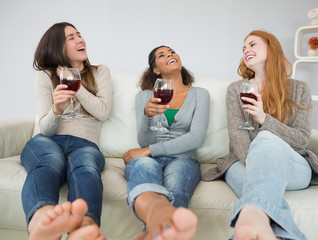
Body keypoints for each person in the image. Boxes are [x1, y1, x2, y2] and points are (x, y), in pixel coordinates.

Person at [202, 30, 318, 240]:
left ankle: (249, 218)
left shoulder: (300, 89)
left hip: (292, 165)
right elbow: (237, 135)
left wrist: (263, 118)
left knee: (266, 139)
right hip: (243, 162)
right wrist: (254, 159)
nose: (246, 50)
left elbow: (301, 139)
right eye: (243, 48)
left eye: (252, 45)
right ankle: (265, 230)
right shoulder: (236, 89)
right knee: (256, 172)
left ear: (271, 48)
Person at [21, 22, 112, 240]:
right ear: (57, 47)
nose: (80, 40)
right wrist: (57, 108)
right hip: (47, 141)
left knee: (86, 166)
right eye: (71, 38)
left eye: (79, 35)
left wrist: (76, 85)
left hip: (85, 142)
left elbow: (102, 111)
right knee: (50, 160)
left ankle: (83, 229)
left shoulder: (100, 72)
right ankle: (43, 223)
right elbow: (47, 129)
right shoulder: (44, 76)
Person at [122, 45, 210, 240]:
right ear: (156, 70)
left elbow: (196, 138)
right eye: (162, 55)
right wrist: (146, 115)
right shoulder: (145, 96)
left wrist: (147, 150)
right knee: (144, 165)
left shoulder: (199, 94)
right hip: (147, 158)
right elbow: (143, 140)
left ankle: (150, 233)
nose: (170, 55)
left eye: (172, 52)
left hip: (183, 159)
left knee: (176, 188)